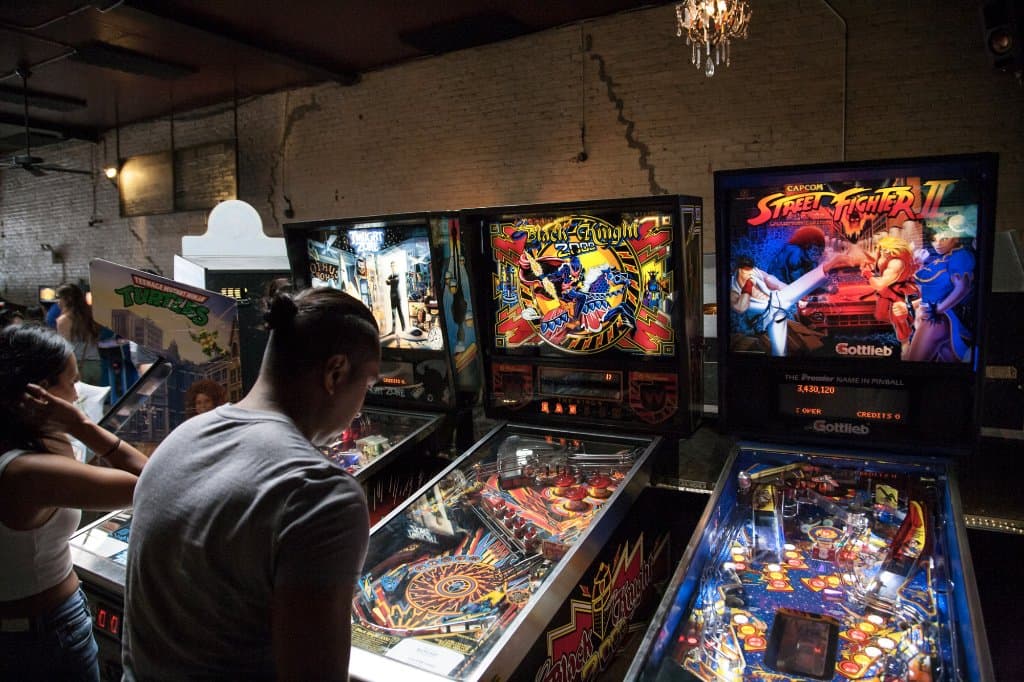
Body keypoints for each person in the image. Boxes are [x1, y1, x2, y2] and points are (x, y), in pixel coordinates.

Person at [124, 287, 381, 681]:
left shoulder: (181, 438)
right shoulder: (320, 493)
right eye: (367, 385)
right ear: (335, 373)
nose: (361, 404)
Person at [0, 324, 148, 680]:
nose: (78, 393)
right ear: (39, 393)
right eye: (71, 382)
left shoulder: (20, 448)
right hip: (44, 636)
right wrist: (81, 425)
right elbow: (150, 481)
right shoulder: (31, 473)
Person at [906, 215, 977, 362]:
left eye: (943, 239)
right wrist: (913, 305)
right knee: (950, 369)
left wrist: (938, 309)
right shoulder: (942, 259)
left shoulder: (960, 257)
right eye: (934, 240)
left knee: (912, 363)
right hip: (932, 317)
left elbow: (962, 288)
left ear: (956, 238)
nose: (937, 244)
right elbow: (932, 291)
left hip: (936, 320)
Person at [54, 283, 103, 386]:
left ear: (68, 299)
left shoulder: (63, 320)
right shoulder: (91, 315)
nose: (58, 303)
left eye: (59, 298)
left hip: (77, 367)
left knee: (78, 401)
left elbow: (66, 349)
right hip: (95, 365)